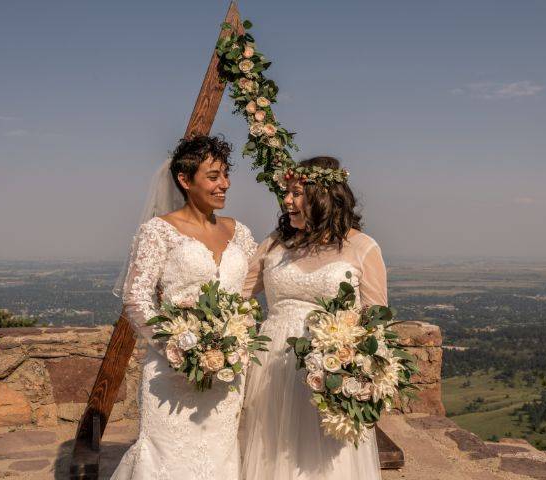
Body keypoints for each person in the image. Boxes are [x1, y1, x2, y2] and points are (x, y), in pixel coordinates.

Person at [110, 135, 257, 480]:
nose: (224, 184)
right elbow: (136, 297)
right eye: (214, 176)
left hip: (228, 373)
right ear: (185, 180)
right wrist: (176, 348)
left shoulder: (241, 232)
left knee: (219, 458)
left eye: (225, 175)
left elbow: (248, 297)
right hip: (171, 373)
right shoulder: (158, 232)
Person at [240, 156, 385, 479]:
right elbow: (238, 296)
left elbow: (376, 326)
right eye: (287, 193)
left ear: (322, 197)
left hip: (329, 370)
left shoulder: (362, 248)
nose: (287, 201)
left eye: (296, 193)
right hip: (272, 367)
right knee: (271, 453)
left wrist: (355, 371)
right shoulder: (276, 244)